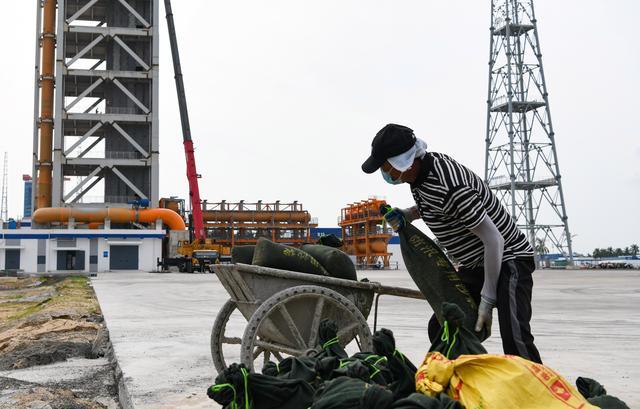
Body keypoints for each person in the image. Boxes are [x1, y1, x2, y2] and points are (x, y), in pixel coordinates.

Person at [361, 123, 542, 363]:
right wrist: (407, 214)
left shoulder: (452, 186)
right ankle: (463, 379)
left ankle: (538, 393)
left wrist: (487, 300)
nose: (387, 175)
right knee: (444, 326)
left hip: (508, 258)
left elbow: (494, 240)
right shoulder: (419, 177)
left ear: (405, 162)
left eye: (388, 169)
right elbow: (436, 207)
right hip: (474, 264)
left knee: (515, 337)